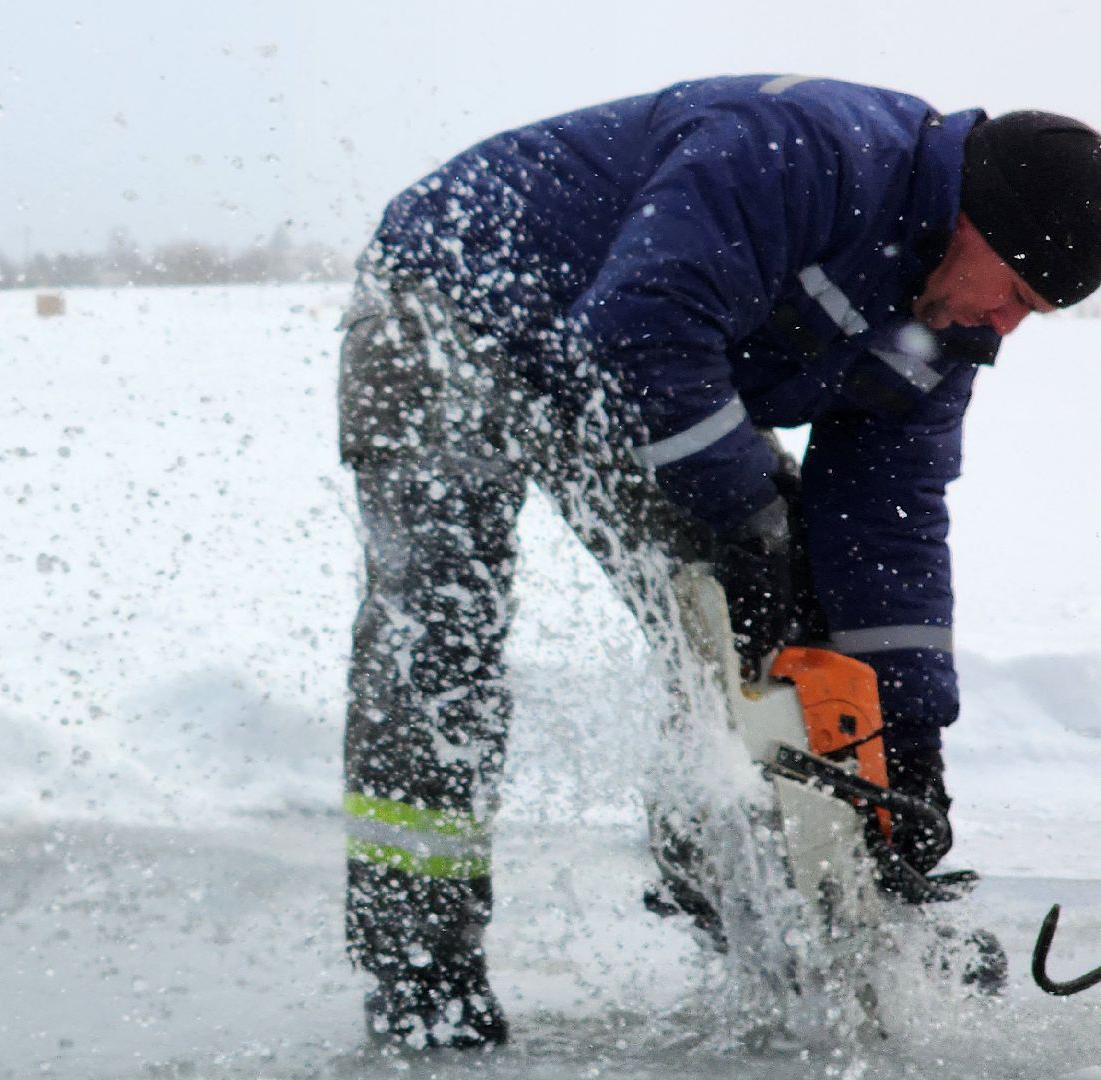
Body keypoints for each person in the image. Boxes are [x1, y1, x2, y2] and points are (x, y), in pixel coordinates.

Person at [337, 74, 1101, 1049]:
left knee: (773, 626)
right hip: (456, 298)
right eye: (1017, 296)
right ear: (972, 221)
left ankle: (760, 912)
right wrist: (747, 519)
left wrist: (908, 736)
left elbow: (886, 525)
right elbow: (643, 326)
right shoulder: (804, 153)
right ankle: (419, 967)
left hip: (619, 353)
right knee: (440, 624)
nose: (1004, 327)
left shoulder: (943, 326)